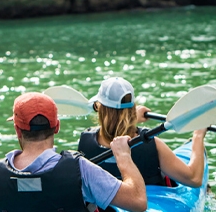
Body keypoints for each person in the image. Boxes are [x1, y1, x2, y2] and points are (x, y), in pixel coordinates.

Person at [0, 92, 146, 212]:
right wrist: (124, 157)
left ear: (17, 129)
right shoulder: (80, 169)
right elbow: (138, 202)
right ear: (57, 127)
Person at [77, 77, 207, 188]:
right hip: (148, 208)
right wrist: (198, 135)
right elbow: (194, 179)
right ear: (133, 107)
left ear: (99, 108)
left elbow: (115, 134)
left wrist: (132, 118)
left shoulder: (85, 142)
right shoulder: (151, 144)